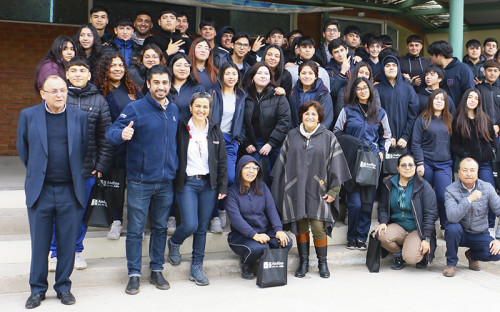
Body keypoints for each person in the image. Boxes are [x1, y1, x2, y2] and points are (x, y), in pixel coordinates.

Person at [107, 65, 178, 295]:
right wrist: (122, 134)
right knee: (136, 230)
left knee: (159, 228)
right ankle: (134, 274)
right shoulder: (135, 108)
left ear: (169, 84)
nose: (161, 87)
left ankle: (157, 270)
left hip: (166, 182)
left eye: (165, 83)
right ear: (148, 84)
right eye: (156, 82)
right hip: (140, 181)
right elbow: (112, 131)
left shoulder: (174, 110)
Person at [18, 76, 88, 308]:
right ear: (43, 93)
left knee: (67, 243)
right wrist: (39, 173)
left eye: (63, 90)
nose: (60, 95)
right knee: (40, 243)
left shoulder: (80, 117)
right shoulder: (28, 116)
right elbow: (23, 150)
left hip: (70, 190)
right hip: (41, 191)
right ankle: (37, 290)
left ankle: (63, 287)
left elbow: (83, 148)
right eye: (54, 91)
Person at [48, 58, 113, 272]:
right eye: (73, 70)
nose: (77, 74)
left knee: (80, 212)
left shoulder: (99, 101)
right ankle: (56, 253)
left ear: (89, 74)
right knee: (58, 212)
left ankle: (76, 251)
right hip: (58, 169)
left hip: (86, 170)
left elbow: (105, 137)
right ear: (66, 74)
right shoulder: (57, 97)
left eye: (82, 70)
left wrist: (101, 165)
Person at [272, 101, 350, 278]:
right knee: (300, 226)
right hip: (295, 189)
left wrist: (333, 190)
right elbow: (282, 164)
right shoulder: (292, 135)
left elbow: (337, 165)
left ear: (319, 117)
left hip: (319, 189)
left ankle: (323, 263)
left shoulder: (328, 136)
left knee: (318, 227)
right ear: (301, 116)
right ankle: (303, 262)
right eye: (306, 113)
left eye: (314, 114)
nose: (310, 117)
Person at [167, 92, 228, 286]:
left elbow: (222, 161)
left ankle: (197, 266)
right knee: (190, 224)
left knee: (202, 228)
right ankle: (175, 243)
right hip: (187, 183)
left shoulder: (216, 130)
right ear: (191, 107)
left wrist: (222, 185)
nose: (201, 110)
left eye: (205, 107)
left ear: (210, 110)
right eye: (198, 106)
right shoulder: (181, 128)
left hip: (208, 184)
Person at [334, 77, 392, 249]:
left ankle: (361, 238)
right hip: (352, 160)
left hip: (371, 161)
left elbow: (387, 136)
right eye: (358, 89)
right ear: (354, 92)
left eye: (365, 88)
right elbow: (336, 132)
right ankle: (351, 237)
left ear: (371, 91)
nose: (362, 91)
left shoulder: (380, 112)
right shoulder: (347, 110)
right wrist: (351, 145)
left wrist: (382, 152)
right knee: (354, 204)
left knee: (367, 204)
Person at [95, 51, 143, 239]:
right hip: (113, 146)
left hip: (135, 147)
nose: (117, 69)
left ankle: (134, 223)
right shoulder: (99, 90)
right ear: (105, 68)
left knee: (134, 186)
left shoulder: (133, 89)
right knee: (116, 185)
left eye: (120, 65)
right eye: (112, 65)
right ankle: (116, 222)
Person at [226, 155, 292, 279]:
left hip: (264, 230)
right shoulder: (232, 192)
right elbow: (236, 220)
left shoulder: (262, 187)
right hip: (241, 236)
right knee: (258, 247)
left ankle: (266, 263)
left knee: (286, 242)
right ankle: (246, 264)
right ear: (240, 169)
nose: (251, 171)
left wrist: (278, 229)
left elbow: (271, 210)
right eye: (247, 168)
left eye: (255, 168)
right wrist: (255, 235)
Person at [374, 154, 438, 270]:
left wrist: (427, 238)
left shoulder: (424, 186)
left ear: (415, 167)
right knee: (381, 234)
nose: (407, 168)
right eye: (403, 165)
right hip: (398, 226)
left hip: (417, 229)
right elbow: (382, 207)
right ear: (398, 168)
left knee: (411, 257)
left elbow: (430, 214)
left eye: (410, 165)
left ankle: (419, 255)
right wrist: (383, 222)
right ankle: (399, 256)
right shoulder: (388, 183)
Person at [451, 88, 498, 234]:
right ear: (465, 99)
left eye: (476, 98)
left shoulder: (485, 118)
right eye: (470, 97)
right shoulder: (458, 120)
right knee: (467, 197)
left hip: (484, 165)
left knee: (489, 193)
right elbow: (453, 144)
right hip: (468, 166)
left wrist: (492, 151)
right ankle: (467, 228)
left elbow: (493, 140)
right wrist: (465, 154)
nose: (473, 100)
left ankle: (490, 226)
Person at [443, 158, 500, 277]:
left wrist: (498, 239)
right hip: (460, 233)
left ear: (477, 172)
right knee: (452, 228)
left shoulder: (487, 188)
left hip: (480, 233)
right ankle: (451, 264)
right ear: (459, 172)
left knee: (497, 253)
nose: (469, 173)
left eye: (472, 170)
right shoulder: (450, 190)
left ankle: (472, 255)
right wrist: (469, 199)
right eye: (465, 170)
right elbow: (452, 217)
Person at [209, 62, 246, 231]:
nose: (231, 77)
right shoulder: (213, 93)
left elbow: (245, 121)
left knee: (230, 178)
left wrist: (239, 140)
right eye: (228, 74)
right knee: (213, 177)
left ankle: (222, 208)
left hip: (231, 140)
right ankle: (214, 215)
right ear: (221, 76)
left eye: (234, 74)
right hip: (213, 137)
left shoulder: (241, 96)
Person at [242, 62, 291, 184]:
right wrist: (246, 142)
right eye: (259, 73)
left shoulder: (278, 95)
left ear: (270, 77)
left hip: (276, 143)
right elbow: (240, 122)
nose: (263, 76)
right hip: (254, 143)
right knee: (257, 177)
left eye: (266, 73)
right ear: (252, 76)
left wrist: (271, 143)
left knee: (276, 178)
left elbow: (284, 121)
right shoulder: (244, 96)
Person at [411, 89, 453, 232]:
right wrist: (420, 163)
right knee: (425, 197)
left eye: (442, 99)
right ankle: (424, 227)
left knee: (443, 196)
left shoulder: (450, 120)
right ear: (431, 100)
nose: (439, 101)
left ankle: (445, 226)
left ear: (446, 102)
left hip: (444, 164)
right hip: (426, 162)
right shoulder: (421, 119)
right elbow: (415, 143)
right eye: (436, 98)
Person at [376, 55, 419, 153]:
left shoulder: (408, 89)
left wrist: (405, 136)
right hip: (382, 142)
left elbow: (413, 114)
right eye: (387, 66)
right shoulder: (376, 89)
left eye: (394, 65)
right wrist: (388, 137)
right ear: (383, 69)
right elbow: (375, 116)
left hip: (404, 142)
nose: (391, 68)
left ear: (398, 68)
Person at [428, 40, 475, 108]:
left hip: (457, 113)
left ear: (440, 55)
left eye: (432, 54)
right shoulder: (433, 70)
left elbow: (470, 92)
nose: (430, 57)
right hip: (437, 113)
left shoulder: (463, 69)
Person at [288, 60, 333, 129]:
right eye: (303, 73)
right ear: (299, 76)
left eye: (310, 73)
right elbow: (291, 118)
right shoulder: (293, 93)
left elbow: (326, 120)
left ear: (316, 76)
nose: (307, 76)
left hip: (318, 135)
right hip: (296, 134)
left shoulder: (323, 94)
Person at [169, 53, 205, 121]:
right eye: (178, 65)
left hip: (189, 129)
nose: (182, 69)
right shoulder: (165, 87)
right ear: (172, 67)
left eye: (186, 65)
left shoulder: (198, 88)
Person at [325, 38, 353, 104]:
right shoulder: (329, 70)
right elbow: (334, 93)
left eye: (342, 50)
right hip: (340, 106)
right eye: (336, 52)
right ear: (331, 55)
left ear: (347, 50)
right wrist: (342, 72)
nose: (340, 54)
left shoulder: (356, 63)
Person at [476, 59, 500, 136]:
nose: (492, 73)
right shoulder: (477, 89)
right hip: (481, 130)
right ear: (484, 72)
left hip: (497, 131)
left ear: (499, 73)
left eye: (495, 71)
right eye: (490, 70)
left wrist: (498, 126)